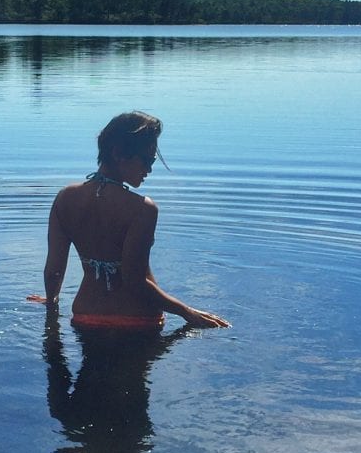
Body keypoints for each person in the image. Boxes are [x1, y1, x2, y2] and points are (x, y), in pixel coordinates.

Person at [38, 111, 229, 330]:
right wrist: (186, 312)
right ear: (118, 153)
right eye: (146, 160)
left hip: (85, 315)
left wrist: (50, 302)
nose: (149, 169)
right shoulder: (142, 209)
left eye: (153, 161)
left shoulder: (65, 199)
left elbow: (54, 269)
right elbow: (134, 282)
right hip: (139, 320)